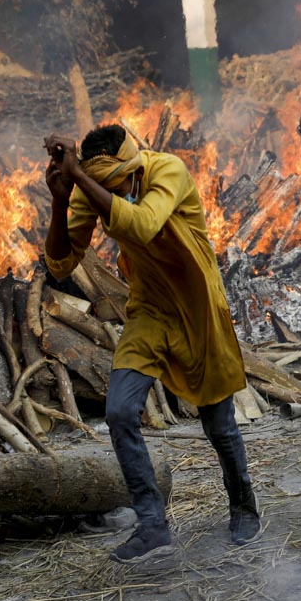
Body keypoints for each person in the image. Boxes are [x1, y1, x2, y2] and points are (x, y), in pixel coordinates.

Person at [43, 124, 261, 563]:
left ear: (132, 167)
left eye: (114, 183)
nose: (108, 193)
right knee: (120, 411)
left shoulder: (168, 171)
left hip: (198, 306)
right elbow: (62, 263)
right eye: (99, 184)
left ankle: (244, 507)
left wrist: (82, 178)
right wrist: (61, 198)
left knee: (218, 423)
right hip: (149, 310)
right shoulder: (92, 187)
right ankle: (153, 526)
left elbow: (141, 225)